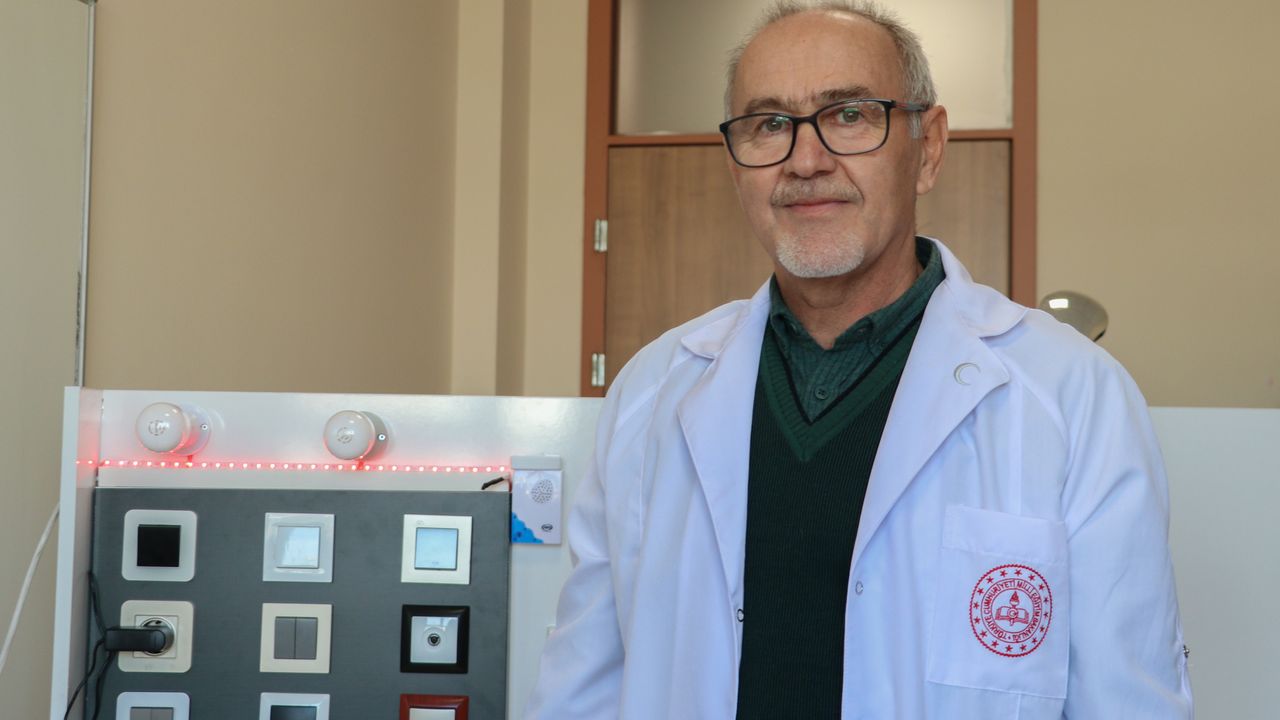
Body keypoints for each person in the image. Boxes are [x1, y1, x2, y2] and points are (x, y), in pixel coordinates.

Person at [526, 1, 1193, 718]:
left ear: (928, 149)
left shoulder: (1071, 394)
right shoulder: (652, 392)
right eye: (769, 124)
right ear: (735, 164)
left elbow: (1129, 702)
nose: (805, 161)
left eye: (849, 115)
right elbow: (580, 691)